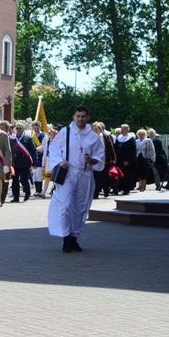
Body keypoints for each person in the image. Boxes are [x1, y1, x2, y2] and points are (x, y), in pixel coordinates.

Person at [47, 106, 105, 253]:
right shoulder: (65, 132)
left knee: (80, 208)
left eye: (83, 116)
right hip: (68, 174)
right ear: (73, 117)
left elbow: (100, 158)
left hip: (85, 175)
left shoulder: (93, 136)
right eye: (78, 116)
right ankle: (65, 239)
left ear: (88, 117)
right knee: (65, 205)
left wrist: (91, 160)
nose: (80, 119)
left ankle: (74, 237)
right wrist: (60, 161)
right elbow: (53, 149)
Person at [11, 121, 38, 202]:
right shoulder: (12, 138)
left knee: (24, 180)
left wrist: (34, 163)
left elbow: (33, 151)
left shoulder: (28, 138)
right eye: (17, 128)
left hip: (25, 163)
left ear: (23, 129)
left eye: (20, 128)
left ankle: (27, 193)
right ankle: (16, 198)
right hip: (14, 163)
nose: (18, 130)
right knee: (15, 181)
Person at [93, 121, 116, 199]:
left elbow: (111, 148)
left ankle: (106, 191)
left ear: (100, 129)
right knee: (96, 177)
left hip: (105, 159)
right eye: (94, 129)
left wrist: (113, 158)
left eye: (97, 129)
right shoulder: (90, 137)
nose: (95, 130)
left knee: (104, 177)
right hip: (94, 160)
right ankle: (95, 194)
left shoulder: (105, 136)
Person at [114, 124, 136, 195]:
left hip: (126, 161)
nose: (123, 130)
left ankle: (126, 189)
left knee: (126, 175)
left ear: (128, 130)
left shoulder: (131, 139)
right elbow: (115, 149)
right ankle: (119, 188)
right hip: (119, 160)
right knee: (119, 175)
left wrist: (127, 160)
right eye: (122, 129)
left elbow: (132, 151)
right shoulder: (119, 138)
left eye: (124, 129)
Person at [39, 127, 58, 198]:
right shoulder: (48, 141)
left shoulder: (59, 142)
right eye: (50, 134)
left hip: (56, 161)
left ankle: (55, 193)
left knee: (56, 179)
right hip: (48, 160)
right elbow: (45, 152)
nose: (52, 135)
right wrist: (43, 163)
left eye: (53, 134)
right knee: (47, 178)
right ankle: (43, 192)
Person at [0, 120, 14, 205]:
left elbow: (13, 154)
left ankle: (2, 199)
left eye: (2, 128)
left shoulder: (11, 139)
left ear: (7, 129)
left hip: (7, 166)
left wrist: (11, 166)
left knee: (5, 183)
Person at [31, 121, 47, 195]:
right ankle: (37, 191)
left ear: (39, 127)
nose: (36, 129)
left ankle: (39, 190)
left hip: (40, 156)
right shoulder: (31, 135)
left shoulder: (44, 136)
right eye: (35, 128)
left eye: (37, 128)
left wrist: (34, 149)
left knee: (39, 174)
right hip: (33, 157)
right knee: (35, 174)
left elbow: (43, 147)